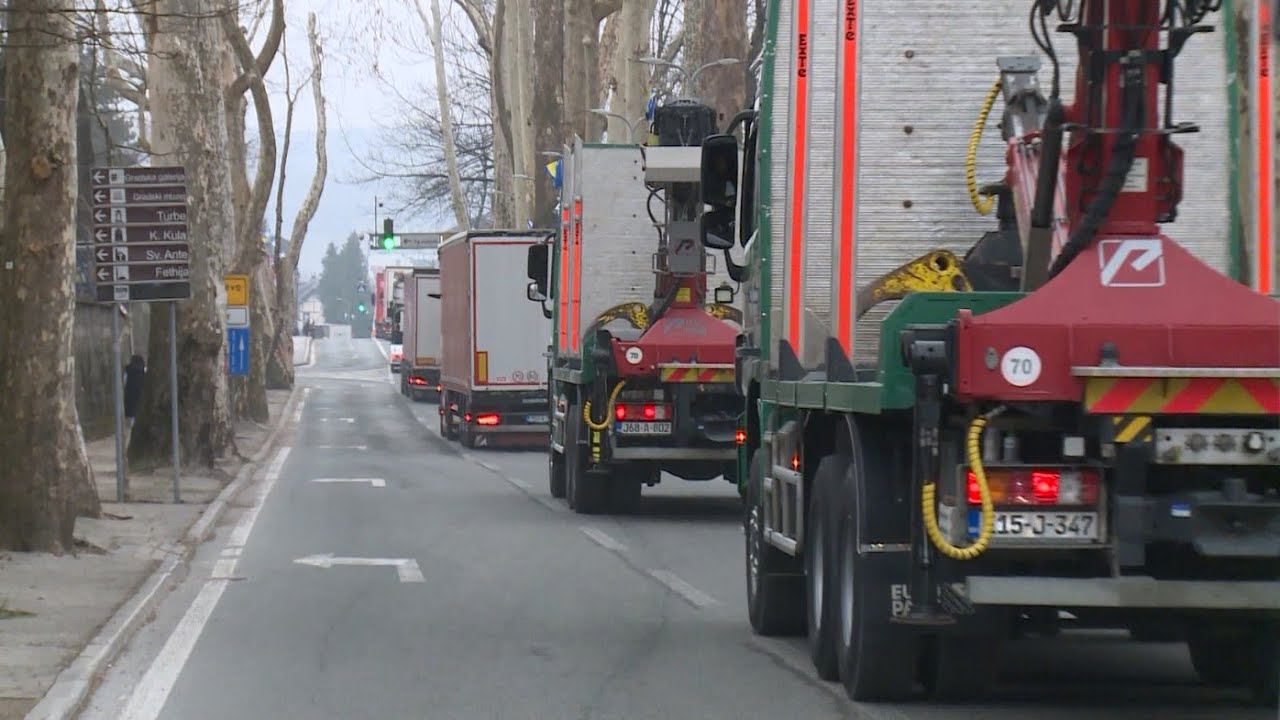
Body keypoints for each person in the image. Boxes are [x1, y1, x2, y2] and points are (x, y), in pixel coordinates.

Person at [123, 355, 145, 432]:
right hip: (141, 401)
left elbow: (124, 384)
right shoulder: (143, 372)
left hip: (129, 400)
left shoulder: (127, 371)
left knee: (129, 426)